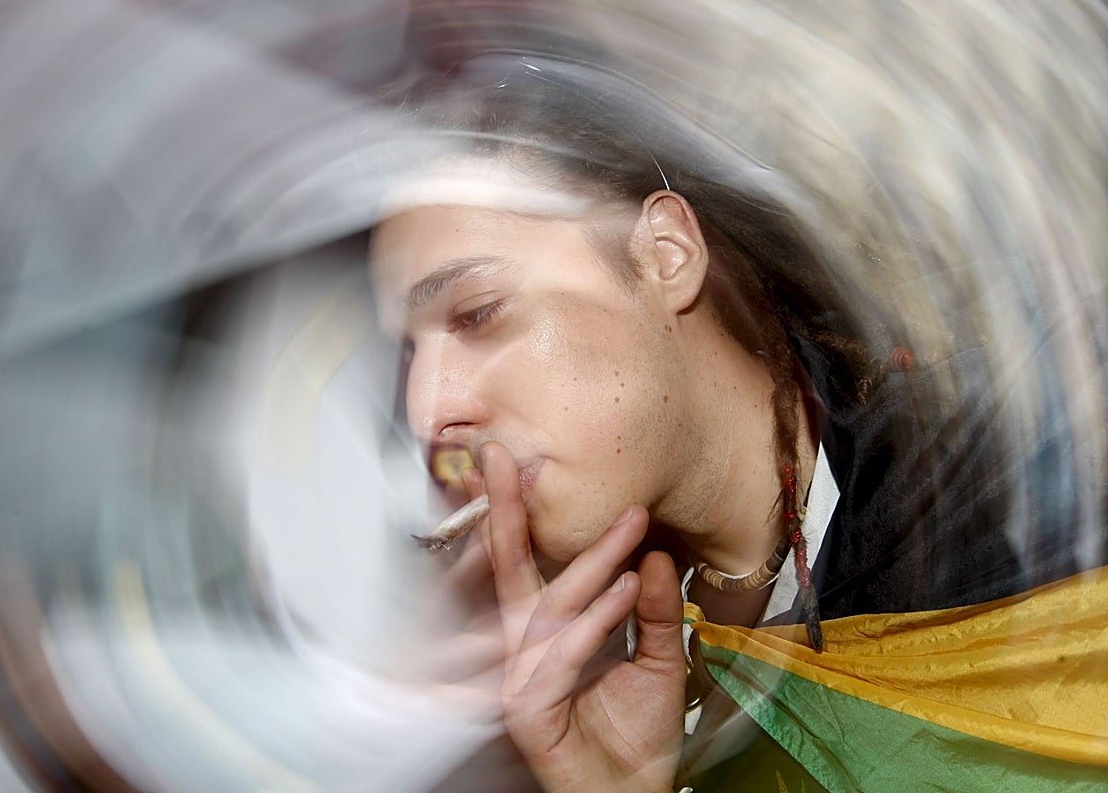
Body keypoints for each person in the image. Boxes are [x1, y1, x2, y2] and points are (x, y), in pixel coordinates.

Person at [369, 54, 1108, 792]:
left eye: (477, 313)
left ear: (666, 254)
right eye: (407, 353)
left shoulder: (1036, 479)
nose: (430, 411)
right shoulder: (599, 672)